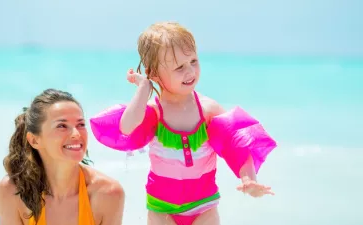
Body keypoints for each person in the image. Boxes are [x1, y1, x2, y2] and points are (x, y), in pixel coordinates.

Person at [89, 22, 277, 225]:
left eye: (194, 61)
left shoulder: (207, 109)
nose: (190, 71)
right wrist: (144, 88)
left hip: (204, 206)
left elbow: (237, 145)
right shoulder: (155, 112)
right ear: (153, 74)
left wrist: (249, 179)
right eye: (179, 67)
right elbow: (126, 127)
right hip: (162, 209)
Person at [0, 88, 125, 225]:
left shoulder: (107, 194)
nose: (76, 133)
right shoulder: (14, 190)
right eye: (62, 126)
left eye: (80, 124)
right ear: (34, 140)